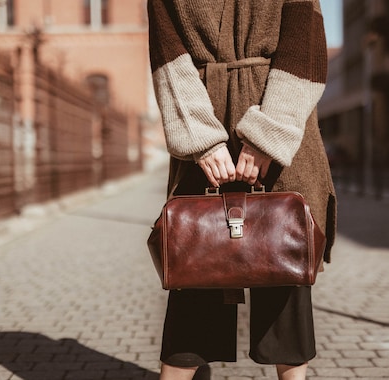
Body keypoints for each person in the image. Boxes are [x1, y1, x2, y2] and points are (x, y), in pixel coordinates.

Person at [147, 1, 336, 379]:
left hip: (281, 125)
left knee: (284, 265)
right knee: (195, 263)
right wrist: (202, 140)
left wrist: (269, 134)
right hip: (204, 117)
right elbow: (167, 55)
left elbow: (305, 48)